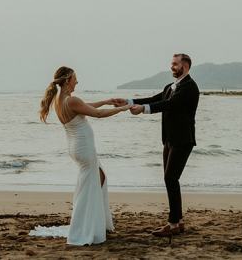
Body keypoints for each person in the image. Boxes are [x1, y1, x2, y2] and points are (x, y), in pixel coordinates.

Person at [37, 66, 130, 246]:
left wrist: (107, 101)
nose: (77, 82)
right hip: (84, 148)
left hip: (77, 147)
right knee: (90, 186)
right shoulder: (70, 101)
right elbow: (96, 114)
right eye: (75, 79)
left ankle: (95, 223)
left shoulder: (61, 99)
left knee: (100, 178)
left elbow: (86, 107)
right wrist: (124, 108)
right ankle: (84, 227)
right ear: (66, 81)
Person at [113, 53, 200, 237]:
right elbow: (155, 98)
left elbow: (169, 104)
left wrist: (143, 110)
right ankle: (178, 221)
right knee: (170, 180)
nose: (172, 67)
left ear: (185, 66)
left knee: (170, 179)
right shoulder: (170, 86)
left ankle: (173, 223)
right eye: (171, 64)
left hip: (183, 140)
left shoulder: (190, 87)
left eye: (175, 64)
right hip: (169, 140)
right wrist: (129, 102)